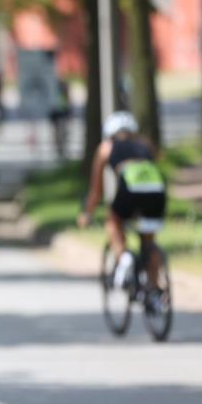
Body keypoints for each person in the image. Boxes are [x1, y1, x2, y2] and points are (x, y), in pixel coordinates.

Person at [78, 111, 167, 309]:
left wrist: (87, 213)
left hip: (129, 190)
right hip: (156, 192)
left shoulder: (106, 148)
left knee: (114, 221)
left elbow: (96, 190)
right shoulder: (145, 145)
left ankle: (123, 256)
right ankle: (154, 291)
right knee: (148, 240)